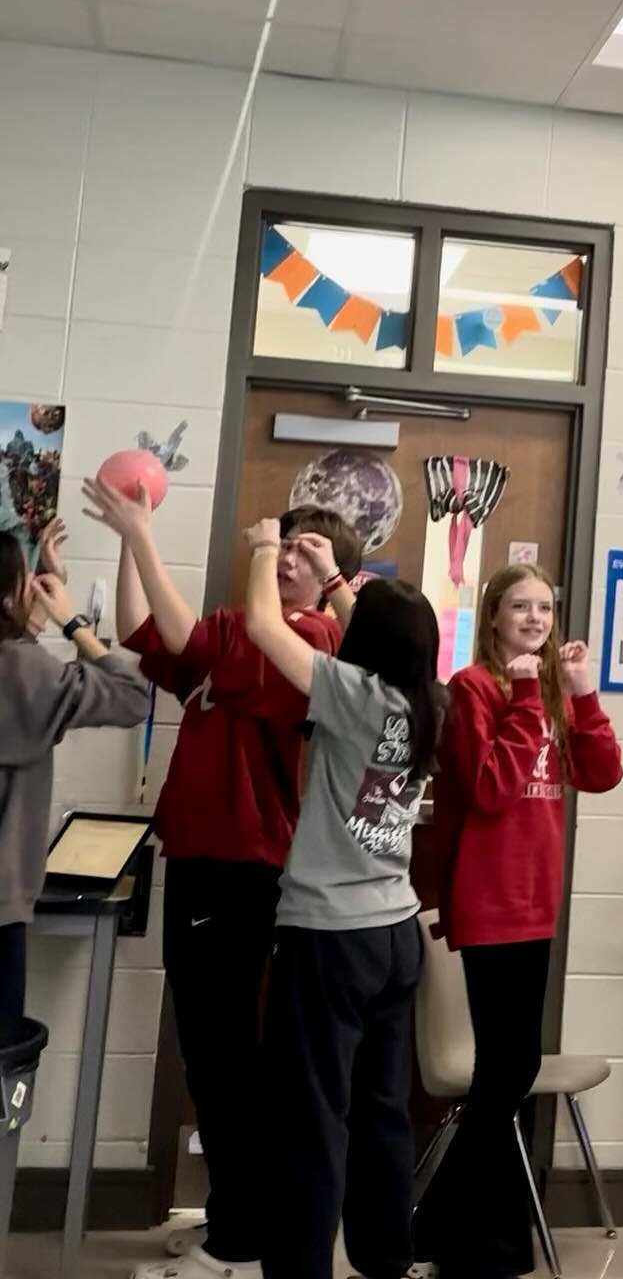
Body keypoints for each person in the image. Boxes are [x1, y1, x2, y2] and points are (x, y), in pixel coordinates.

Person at [81, 476, 360, 1279]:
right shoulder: (239, 636)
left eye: (309, 556)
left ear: (330, 578)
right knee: (215, 1052)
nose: (287, 564)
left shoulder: (305, 642)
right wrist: (136, 534)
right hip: (203, 856)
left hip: (242, 866)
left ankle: (241, 1241)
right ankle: (237, 1221)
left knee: (227, 1054)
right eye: (285, 549)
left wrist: (140, 532)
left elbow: (189, 629)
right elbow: (147, 631)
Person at [242, 517, 444, 1279]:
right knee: (383, 1110)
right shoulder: (429, 703)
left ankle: (299, 1270)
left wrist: (266, 546)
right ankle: (386, 1258)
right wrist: (337, 584)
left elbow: (264, 624)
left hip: (331, 935)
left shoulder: (352, 693)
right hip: (395, 932)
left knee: (311, 1113)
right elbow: (388, 638)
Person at [414, 563, 622, 1279]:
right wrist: (528, 694)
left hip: (537, 898)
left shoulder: (553, 692)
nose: (534, 618)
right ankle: (449, 1228)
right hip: (488, 896)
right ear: (493, 616)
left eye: (544, 607)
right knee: (506, 1069)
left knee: (513, 1067)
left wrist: (583, 696)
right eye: (519, 607)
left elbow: (601, 774)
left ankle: (462, 1229)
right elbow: (493, 790)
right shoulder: (474, 689)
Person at [0, 532, 149, 1042]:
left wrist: (27, 618)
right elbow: (132, 698)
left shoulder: (25, 667)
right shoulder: (30, 674)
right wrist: (72, 622)